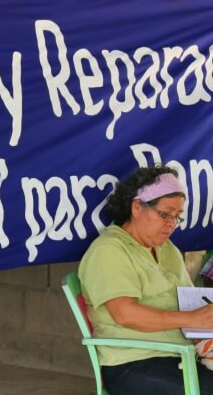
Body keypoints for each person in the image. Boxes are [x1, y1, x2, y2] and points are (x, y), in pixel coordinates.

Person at [79, 165, 213, 395]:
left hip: (179, 355)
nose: (171, 224)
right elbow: (125, 313)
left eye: (177, 217)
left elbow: (188, 299)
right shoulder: (109, 250)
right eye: (165, 214)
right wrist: (191, 318)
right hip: (133, 363)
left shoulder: (166, 248)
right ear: (137, 207)